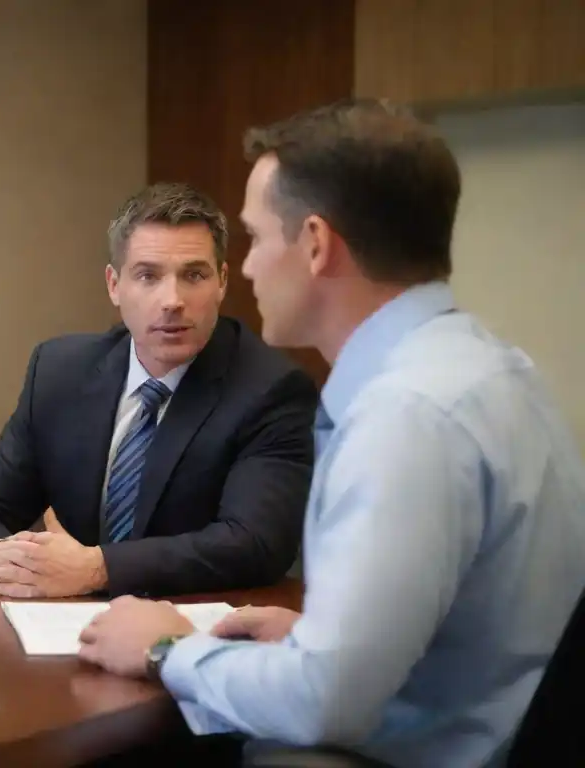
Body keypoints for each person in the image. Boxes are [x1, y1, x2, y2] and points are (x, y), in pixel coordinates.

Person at [77, 99, 585, 768]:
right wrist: (317, 637)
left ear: (316, 244)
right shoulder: (495, 371)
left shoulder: (404, 417)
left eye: (257, 239)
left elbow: (321, 703)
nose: (249, 270)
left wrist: (166, 648)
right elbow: (476, 626)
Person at [0, 182, 318, 599]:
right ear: (114, 285)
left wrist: (97, 568)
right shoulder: (62, 372)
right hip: (60, 628)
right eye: (147, 276)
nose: (172, 300)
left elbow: (254, 544)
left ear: (222, 281)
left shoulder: (271, 391)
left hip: (187, 631)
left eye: (194, 275)